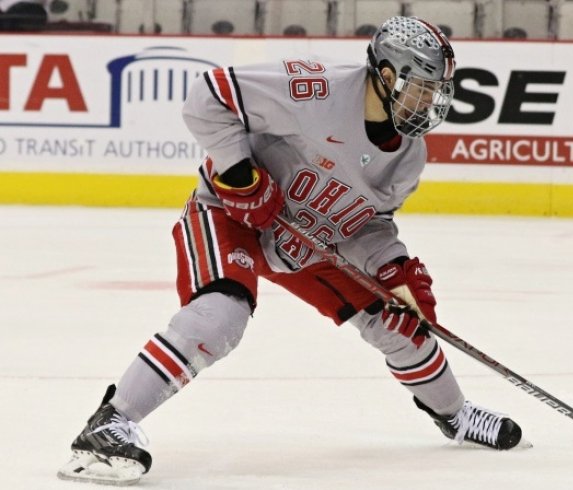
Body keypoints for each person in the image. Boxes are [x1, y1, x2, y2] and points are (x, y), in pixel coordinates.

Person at [58, 16, 523, 486]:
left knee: (396, 322)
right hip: (229, 214)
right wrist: (241, 176)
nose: (430, 101)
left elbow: (369, 223)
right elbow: (209, 95)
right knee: (222, 315)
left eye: (436, 90)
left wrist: (393, 269)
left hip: (307, 241)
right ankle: (110, 422)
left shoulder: (409, 155)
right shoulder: (316, 90)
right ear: (385, 75)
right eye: (421, 87)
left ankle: (456, 415)